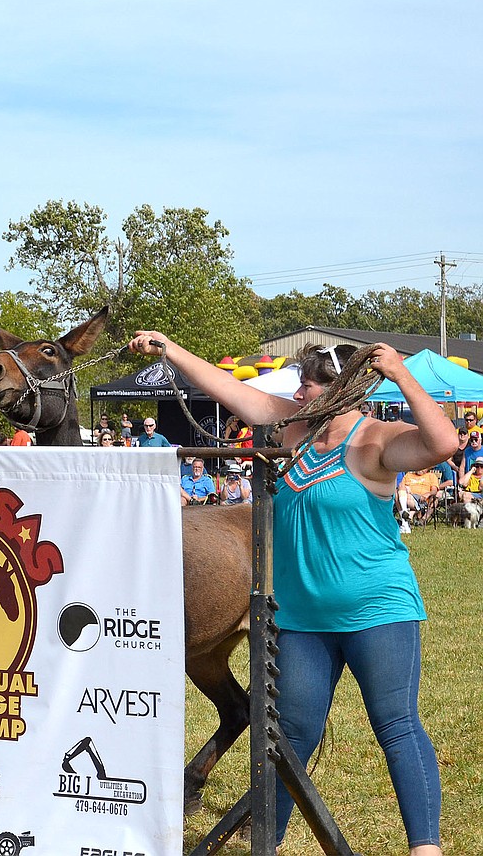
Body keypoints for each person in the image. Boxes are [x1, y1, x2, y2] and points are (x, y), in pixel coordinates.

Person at [129, 331, 454, 856]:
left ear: (339, 391)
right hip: (301, 619)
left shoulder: (378, 439)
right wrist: (171, 350)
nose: (298, 393)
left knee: (396, 726)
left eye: (307, 385)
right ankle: (269, 844)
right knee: (288, 737)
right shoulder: (297, 430)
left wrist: (402, 374)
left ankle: (425, 848)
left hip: (377, 610)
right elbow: (228, 391)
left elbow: (442, 444)